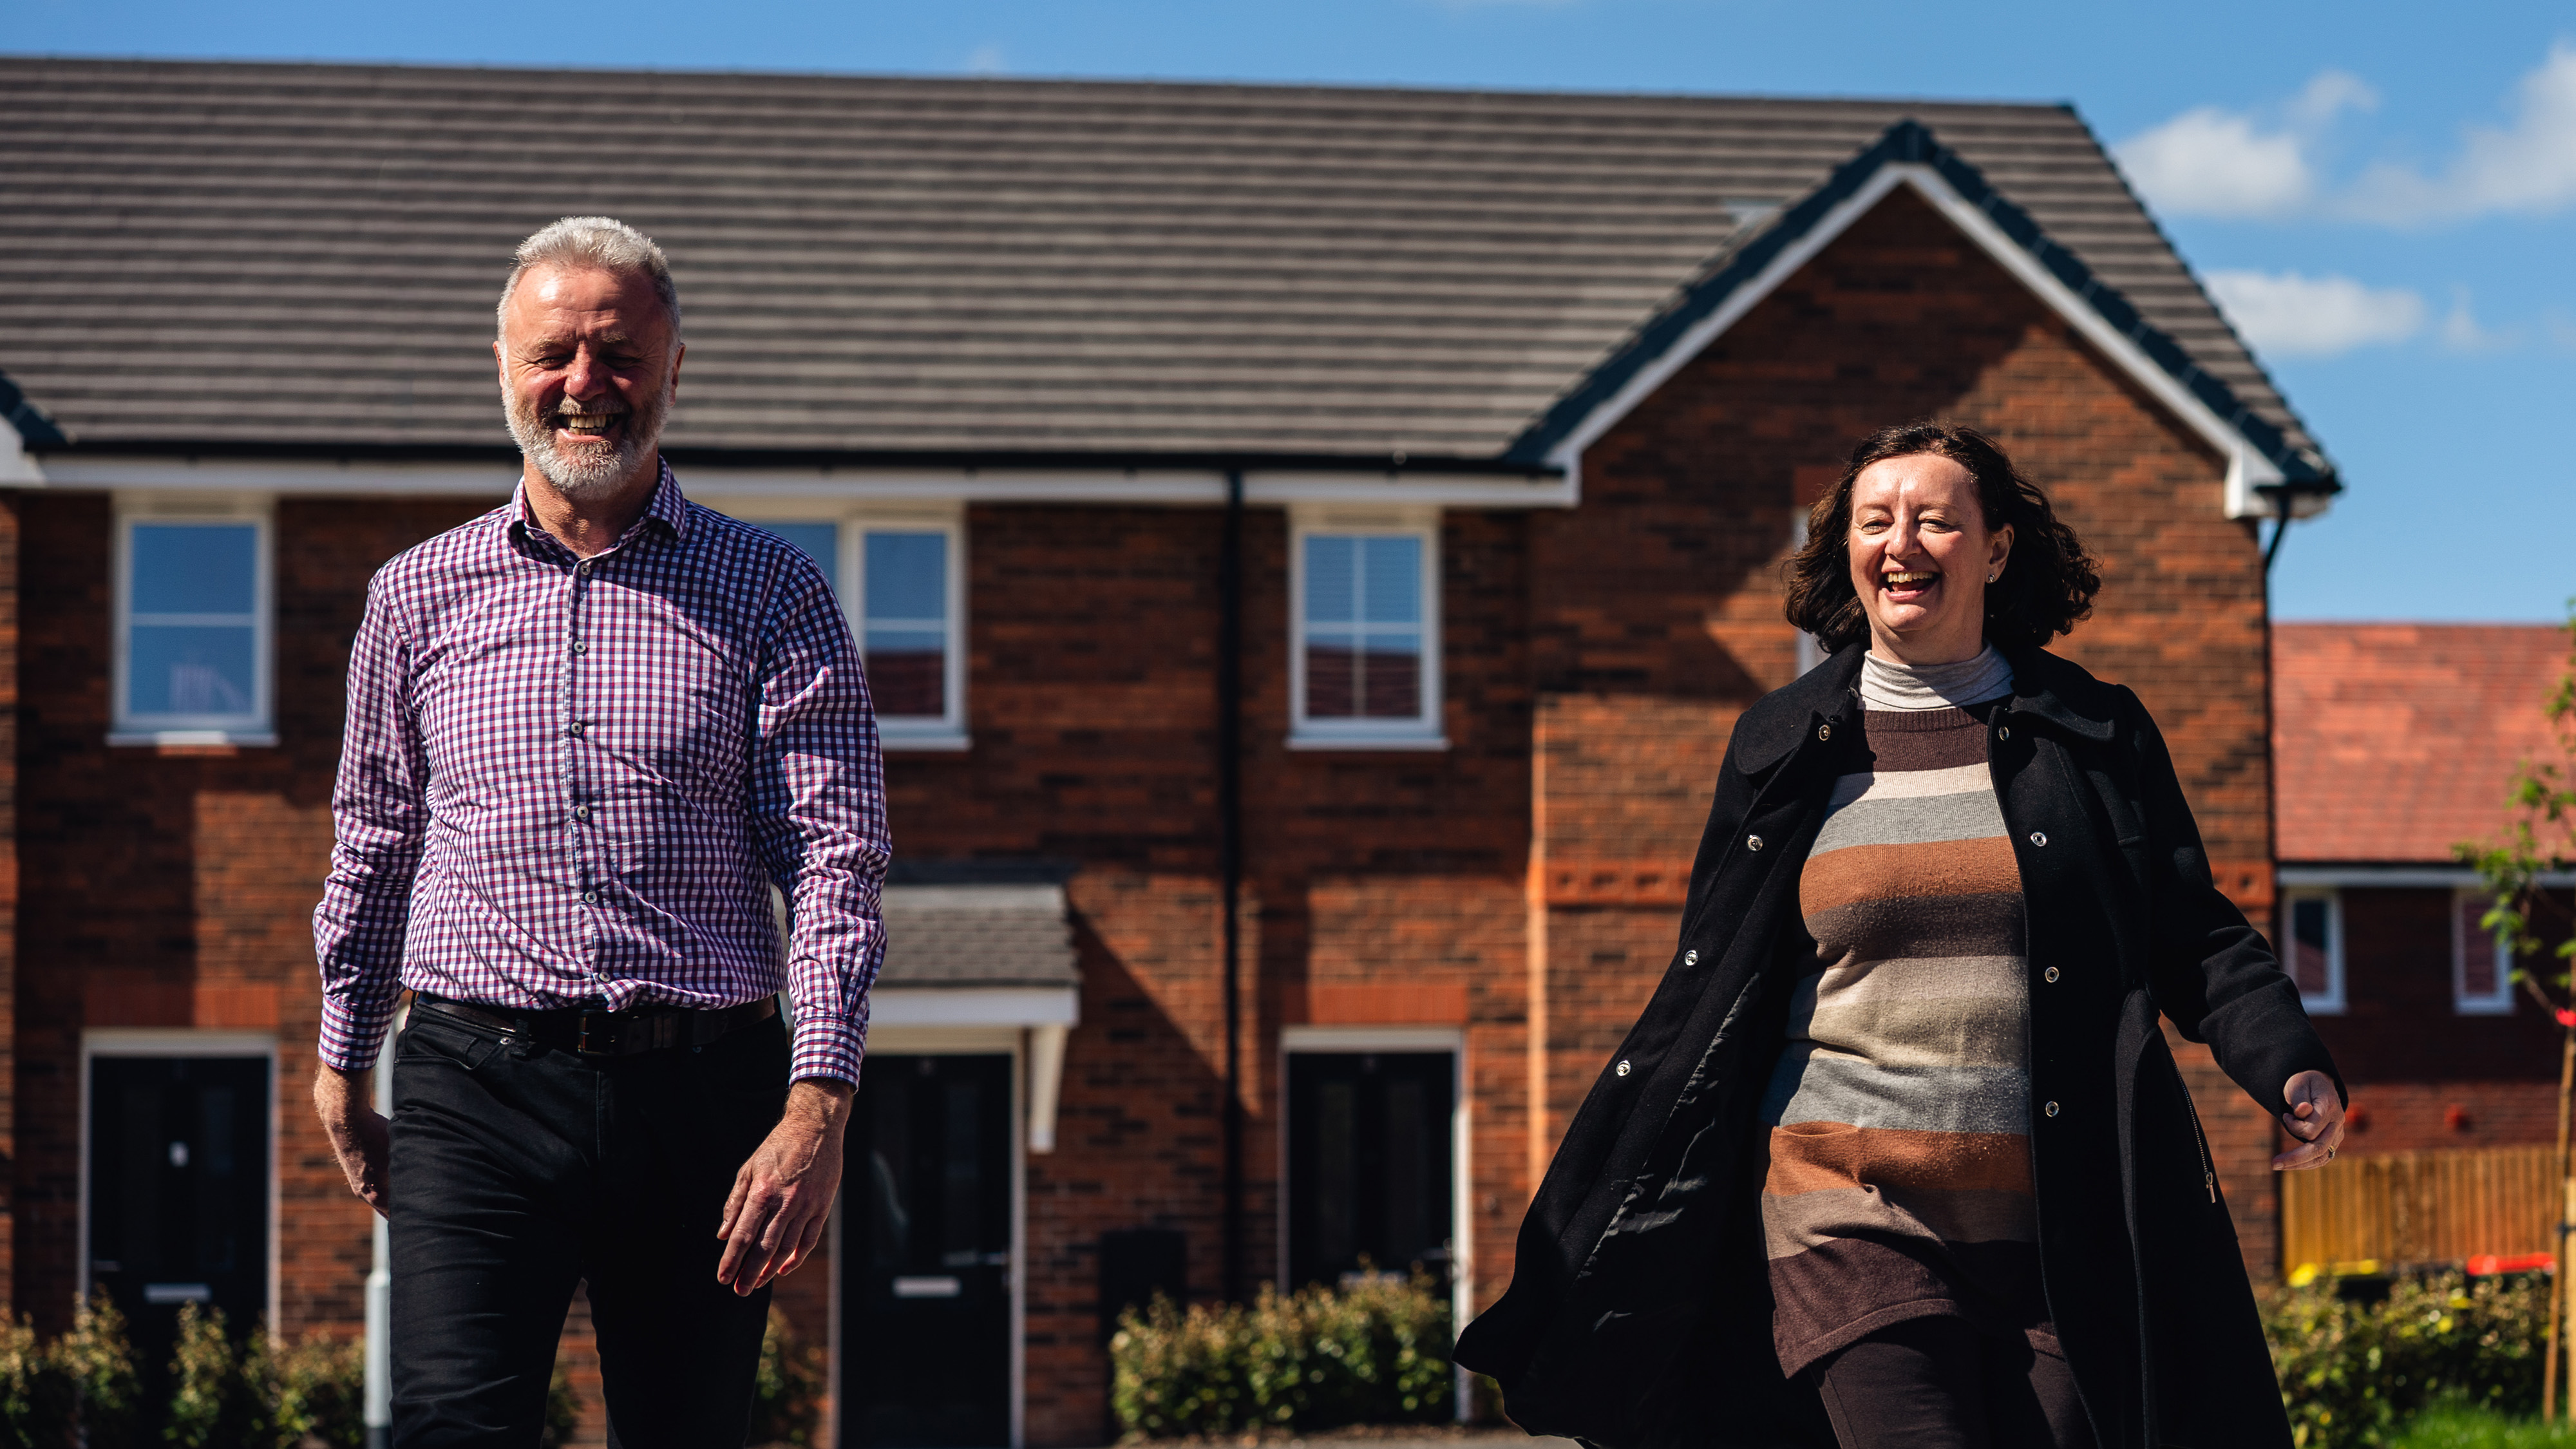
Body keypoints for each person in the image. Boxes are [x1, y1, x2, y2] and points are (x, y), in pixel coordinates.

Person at [1455, 422, 2345, 1449]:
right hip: (1847, 1207)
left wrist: (2285, 1060)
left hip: (2058, 1217)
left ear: (1997, 548)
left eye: (1934, 518)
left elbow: (2193, 931)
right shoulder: (1782, 745)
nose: (1902, 541)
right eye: (1876, 521)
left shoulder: (2092, 733)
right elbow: (1718, 980)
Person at [309, 216, 889, 1448]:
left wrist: (817, 1104)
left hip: (706, 1094)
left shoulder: (775, 592)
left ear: (675, 369)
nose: (586, 384)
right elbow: (373, 840)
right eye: (555, 353)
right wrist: (340, 1063)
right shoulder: (415, 596)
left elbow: (835, 861)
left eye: (620, 354)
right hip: (475, 1082)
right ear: (506, 372)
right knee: (449, 1428)